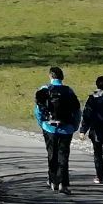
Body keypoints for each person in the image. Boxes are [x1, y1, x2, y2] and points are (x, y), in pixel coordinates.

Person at [33, 66, 81, 194]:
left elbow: (38, 110)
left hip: (49, 127)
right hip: (67, 128)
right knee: (63, 155)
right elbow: (77, 110)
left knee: (51, 154)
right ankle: (63, 184)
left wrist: (42, 123)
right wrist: (75, 126)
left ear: (50, 76)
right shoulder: (69, 91)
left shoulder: (45, 89)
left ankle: (53, 181)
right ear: (62, 77)